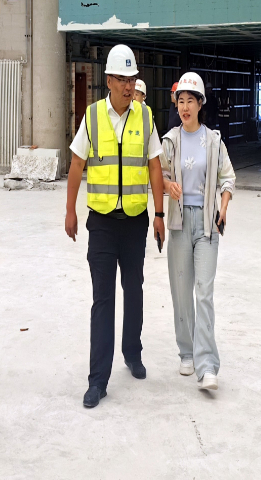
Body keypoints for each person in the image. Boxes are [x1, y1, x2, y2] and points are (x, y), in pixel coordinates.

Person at [65, 44, 166, 409]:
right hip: (103, 224)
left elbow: (155, 166)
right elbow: (77, 164)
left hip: (136, 222)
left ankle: (132, 353)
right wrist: (70, 211)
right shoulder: (92, 117)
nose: (128, 85)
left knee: (134, 289)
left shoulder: (145, 116)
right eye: (122, 79)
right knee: (103, 299)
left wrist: (159, 214)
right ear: (108, 80)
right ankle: (98, 380)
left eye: (132, 79)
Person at [160, 73, 235, 391]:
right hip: (178, 224)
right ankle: (186, 352)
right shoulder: (169, 141)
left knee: (204, 292)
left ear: (201, 104)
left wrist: (223, 206)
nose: (185, 107)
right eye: (181, 101)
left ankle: (207, 365)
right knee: (181, 291)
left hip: (206, 224)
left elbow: (228, 178)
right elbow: (159, 175)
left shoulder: (214, 141)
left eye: (191, 100)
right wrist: (167, 186)